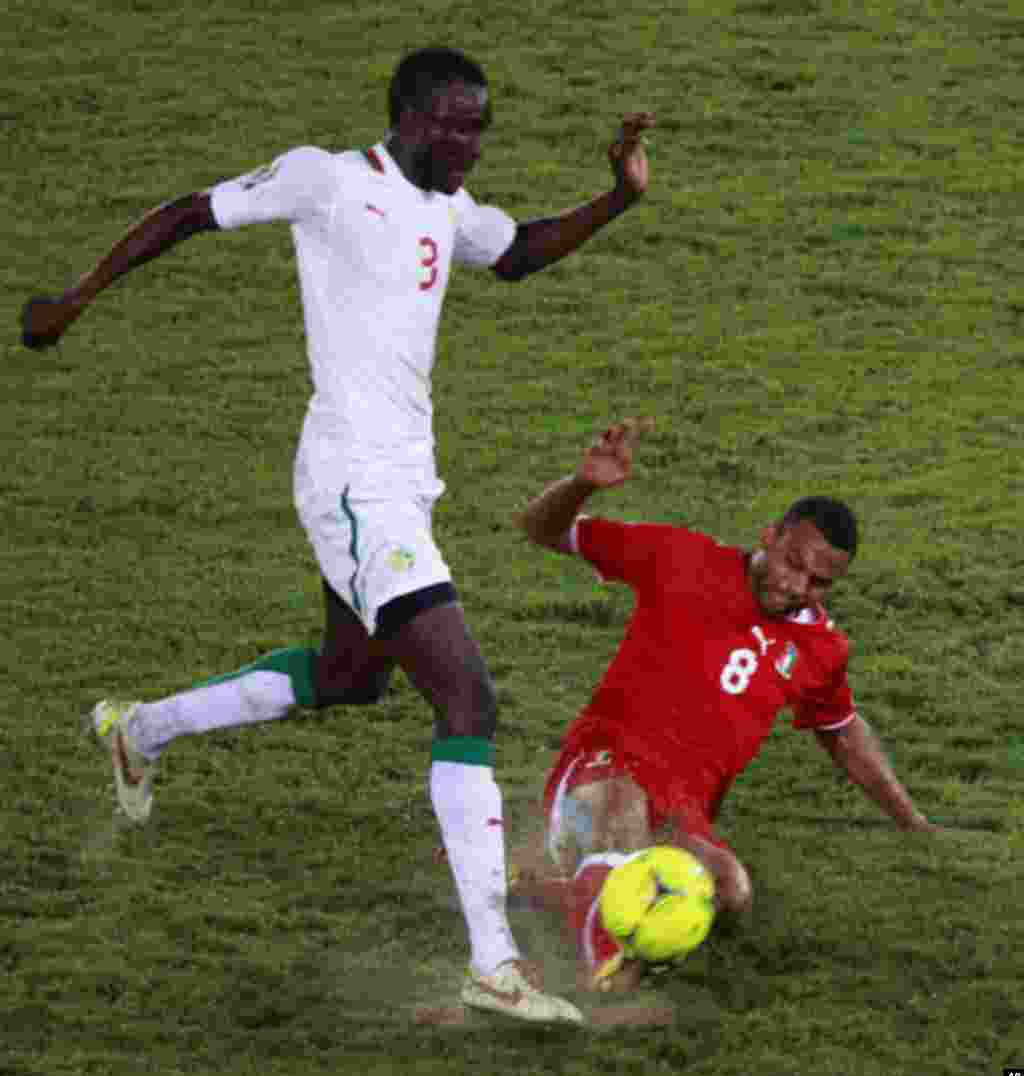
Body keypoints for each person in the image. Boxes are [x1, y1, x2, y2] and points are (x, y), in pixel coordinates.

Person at [21, 47, 655, 1024]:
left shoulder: (449, 205)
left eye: (480, 123)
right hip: (354, 482)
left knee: (352, 675)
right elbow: (194, 209)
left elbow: (519, 249)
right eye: (453, 122)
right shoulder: (326, 180)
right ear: (404, 115)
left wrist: (618, 196)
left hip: (402, 480)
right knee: (467, 695)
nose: (469, 141)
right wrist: (77, 295)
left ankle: (137, 729)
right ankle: (492, 963)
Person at [516, 419, 938, 991]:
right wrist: (581, 485)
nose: (796, 587)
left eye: (819, 582)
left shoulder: (821, 647)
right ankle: (607, 979)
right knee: (622, 814)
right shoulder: (681, 558)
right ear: (770, 536)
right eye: (793, 563)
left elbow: (841, 731)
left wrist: (910, 821)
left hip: (682, 803)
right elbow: (539, 530)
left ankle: (538, 886)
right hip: (605, 764)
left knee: (731, 890)